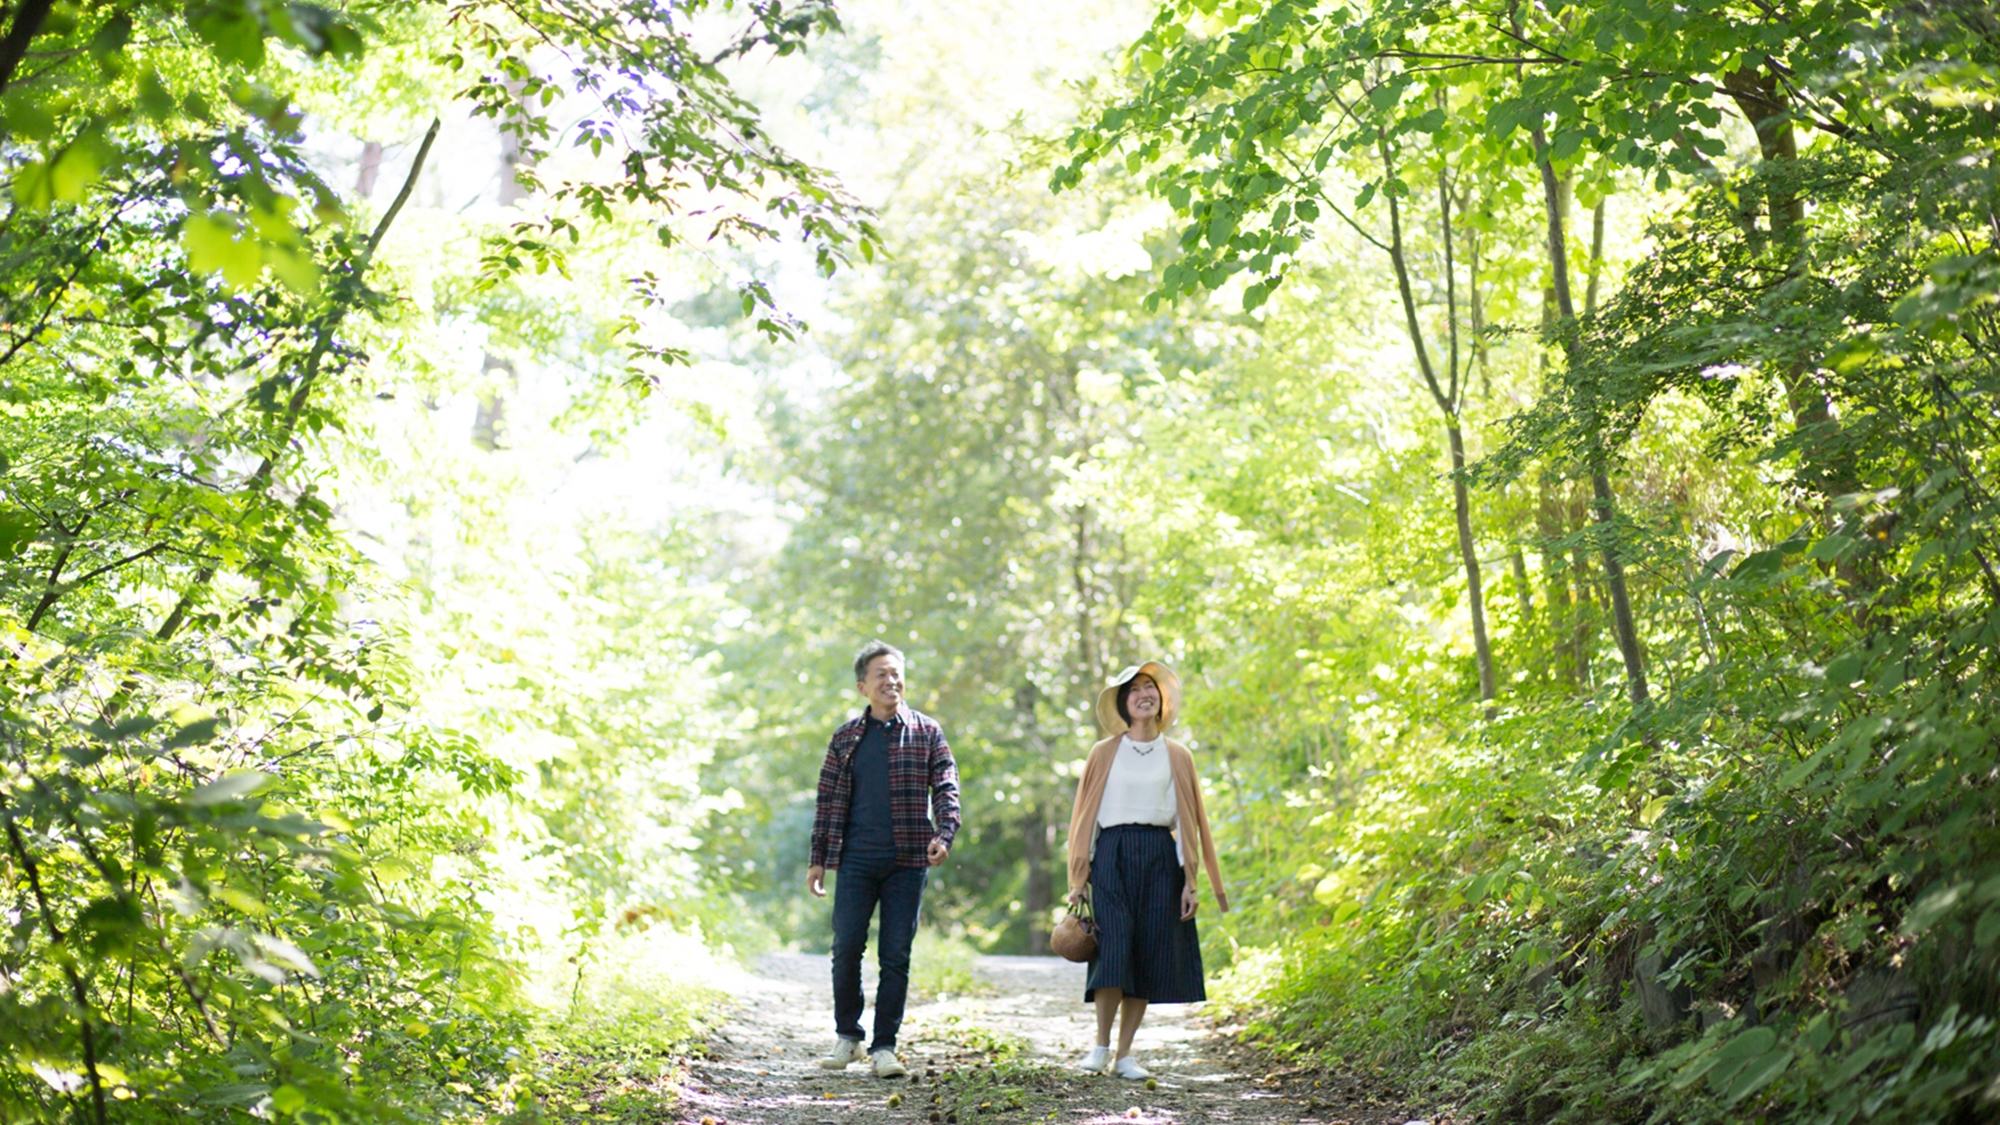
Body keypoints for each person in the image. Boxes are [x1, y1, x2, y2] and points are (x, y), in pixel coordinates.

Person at [1063, 660, 1228, 1079]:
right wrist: (1079, 878)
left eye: (1150, 688)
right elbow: (1084, 817)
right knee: (1113, 949)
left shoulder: (1178, 755)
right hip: (1113, 855)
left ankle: (1125, 1056)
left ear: (1161, 700)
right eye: (1133, 689)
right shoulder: (1104, 753)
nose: (1143, 694)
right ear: (1124, 702)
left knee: (1147, 953)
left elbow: (1189, 821)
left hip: (1159, 855)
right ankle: (1100, 1046)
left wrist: (1191, 880)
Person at [808, 640, 960, 1078]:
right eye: (881, 675)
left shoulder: (927, 731)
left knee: (895, 955)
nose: (891, 681)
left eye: (896, 673)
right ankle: (848, 1038)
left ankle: (885, 1047)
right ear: (863, 687)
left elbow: (947, 787)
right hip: (855, 859)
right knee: (846, 948)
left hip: (909, 860)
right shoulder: (845, 738)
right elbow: (827, 799)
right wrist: (817, 858)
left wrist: (945, 833)